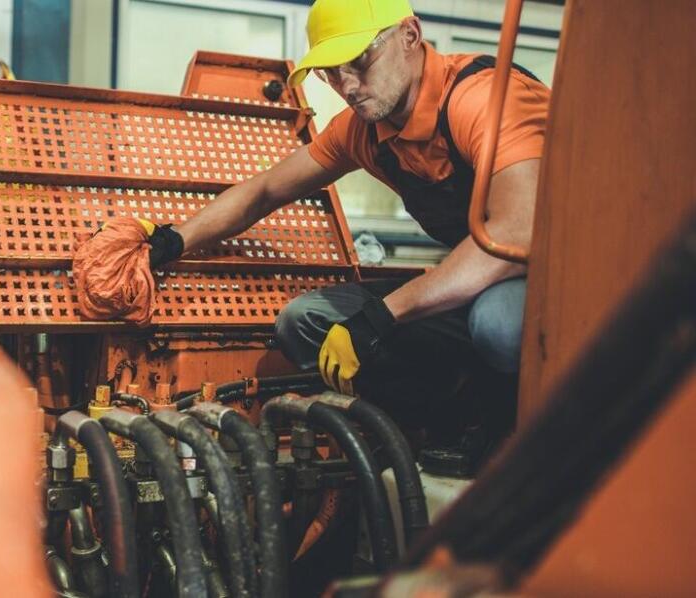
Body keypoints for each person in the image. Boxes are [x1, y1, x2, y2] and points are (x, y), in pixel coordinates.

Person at [121, 0, 550, 424]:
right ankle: (436, 427)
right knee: (304, 321)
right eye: (330, 72)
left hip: (557, 281)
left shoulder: (481, 99)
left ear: (410, 35)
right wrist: (172, 239)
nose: (346, 86)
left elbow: (514, 234)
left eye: (360, 60)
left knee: (497, 324)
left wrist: (382, 315)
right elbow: (265, 190)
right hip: (473, 280)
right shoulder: (364, 131)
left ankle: (509, 432)